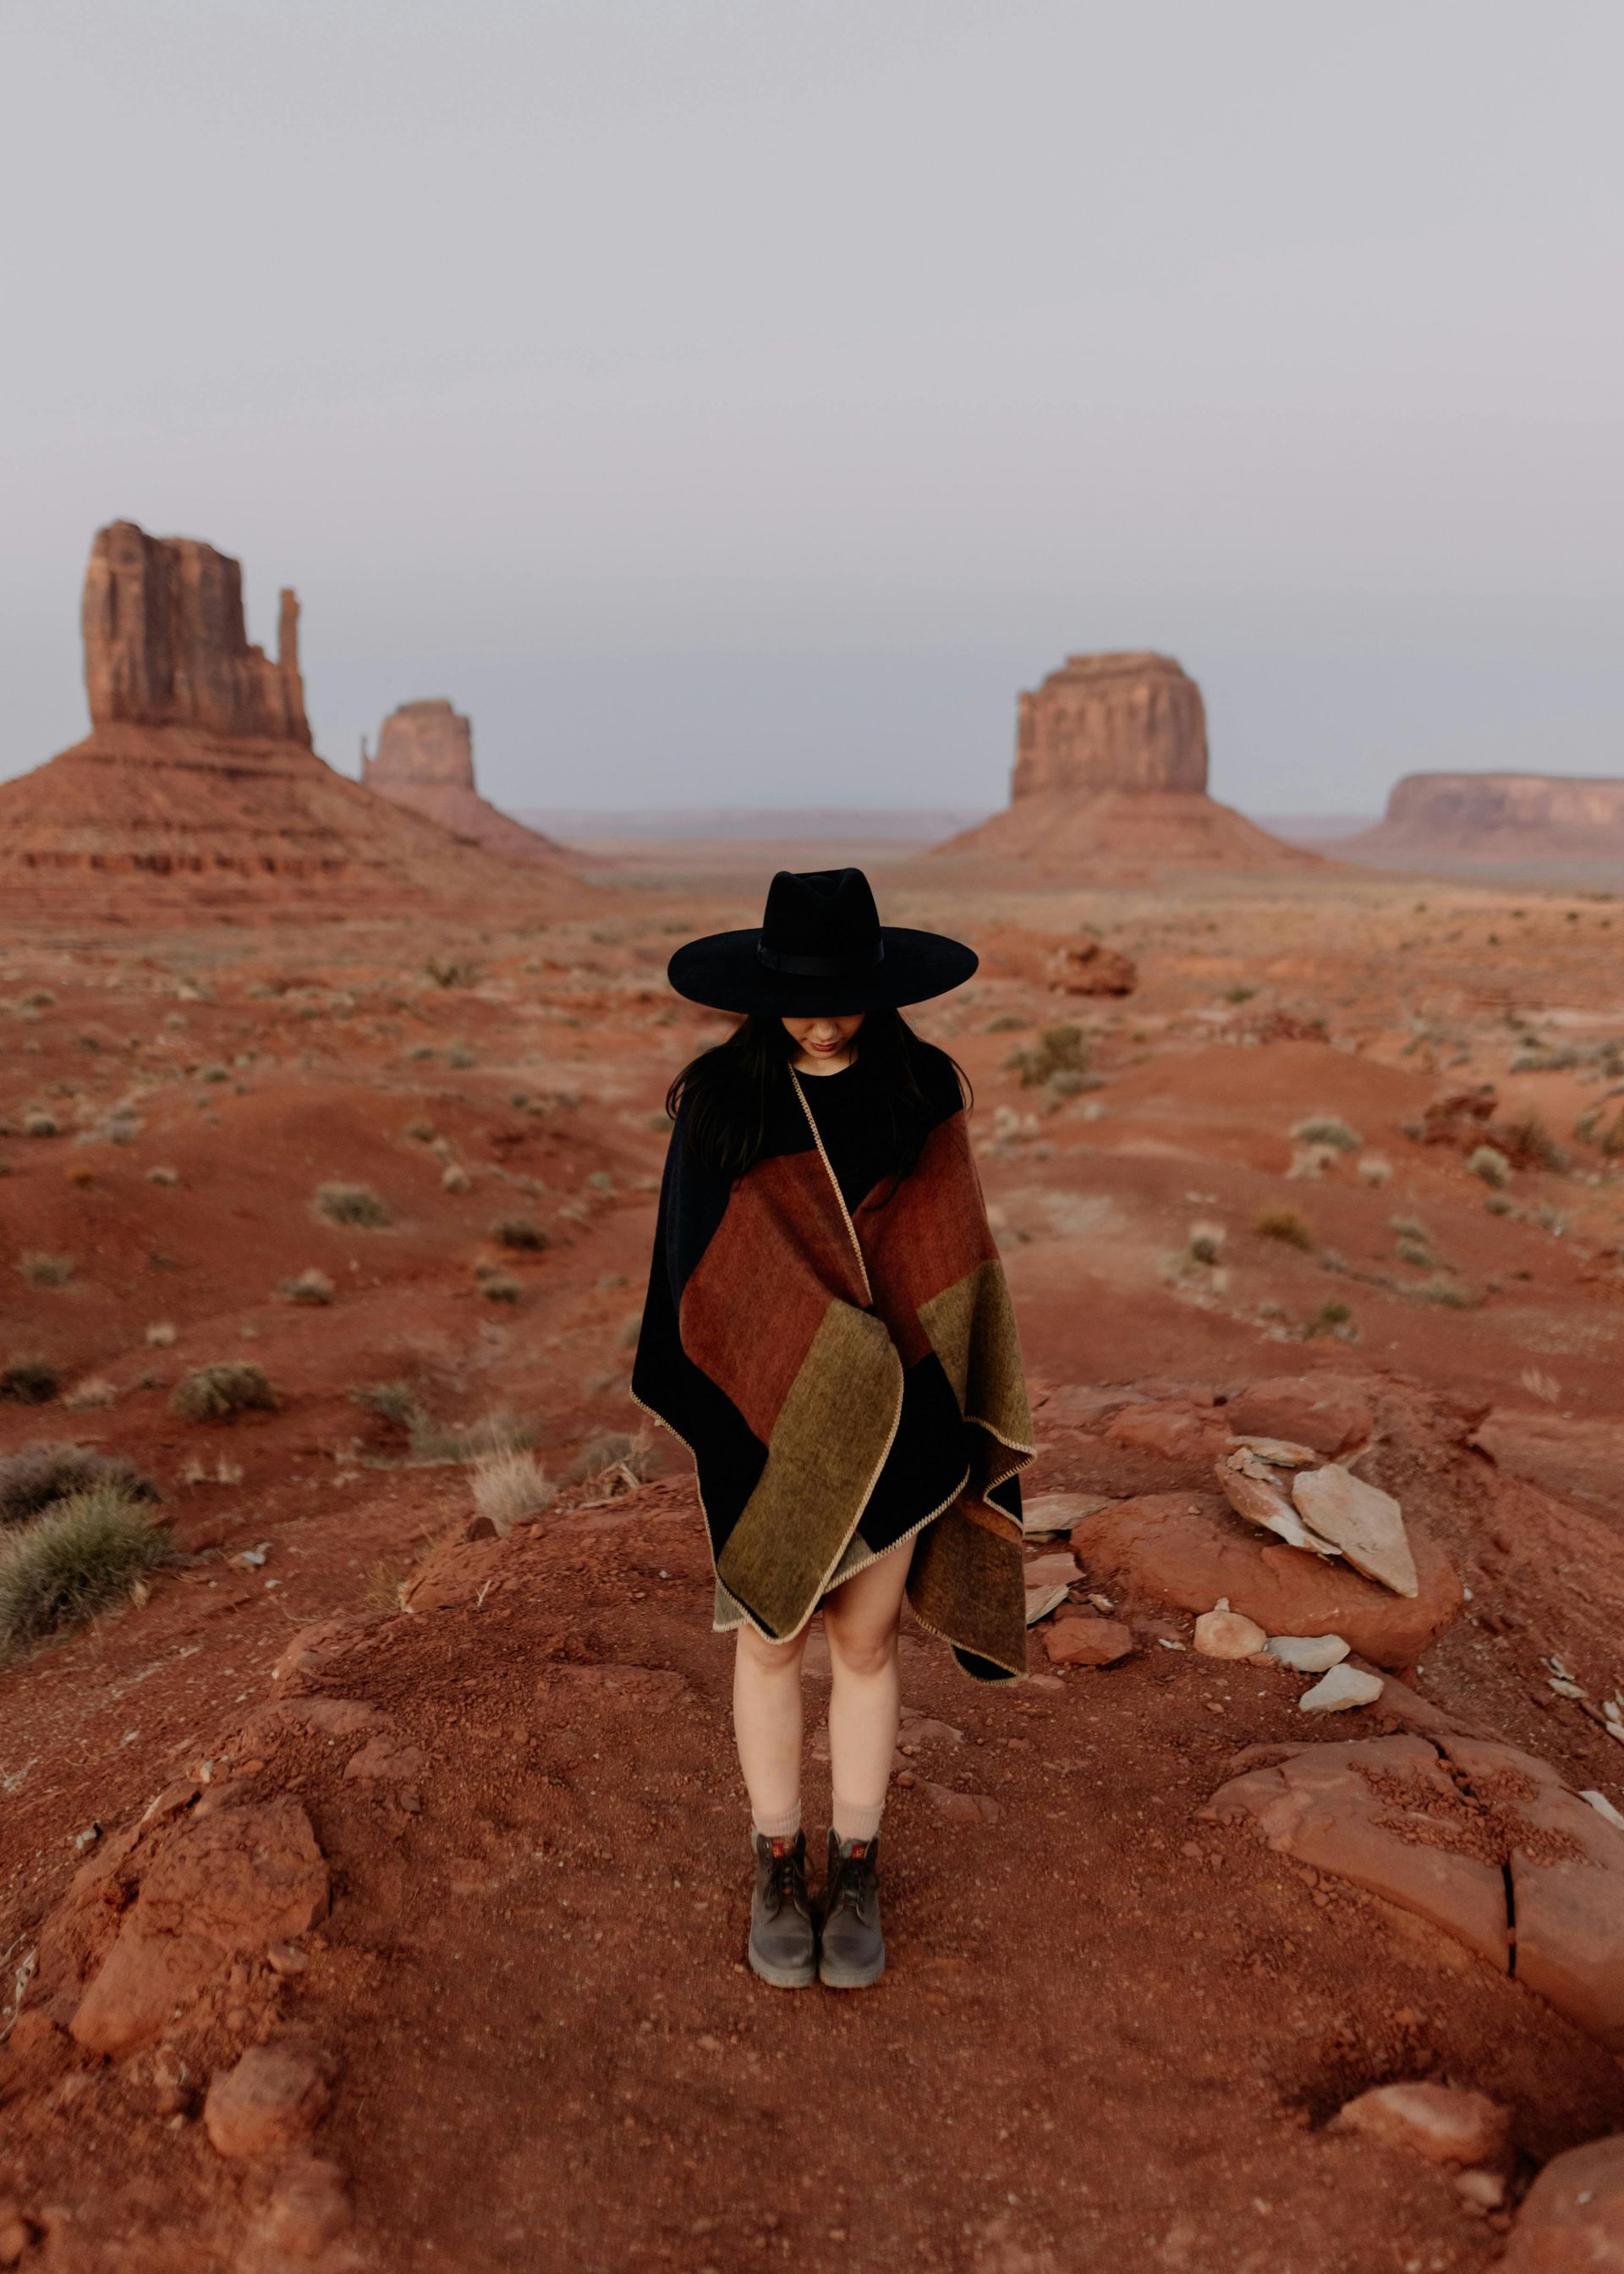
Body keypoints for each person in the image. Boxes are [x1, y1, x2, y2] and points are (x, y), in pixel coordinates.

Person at [631, 866, 1034, 1991]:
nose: (818, 1017)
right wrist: (781, 1371)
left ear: (881, 986)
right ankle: (775, 1861)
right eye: (798, 995)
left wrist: (896, 1374)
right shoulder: (720, 1101)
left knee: (863, 1644)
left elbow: (953, 1271)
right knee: (769, 1641)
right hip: (764, 1422)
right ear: (762, 991)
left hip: (901, 1418)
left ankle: (853, 1867)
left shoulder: (921, 1094)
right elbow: (693, 1282)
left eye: (842, 993)